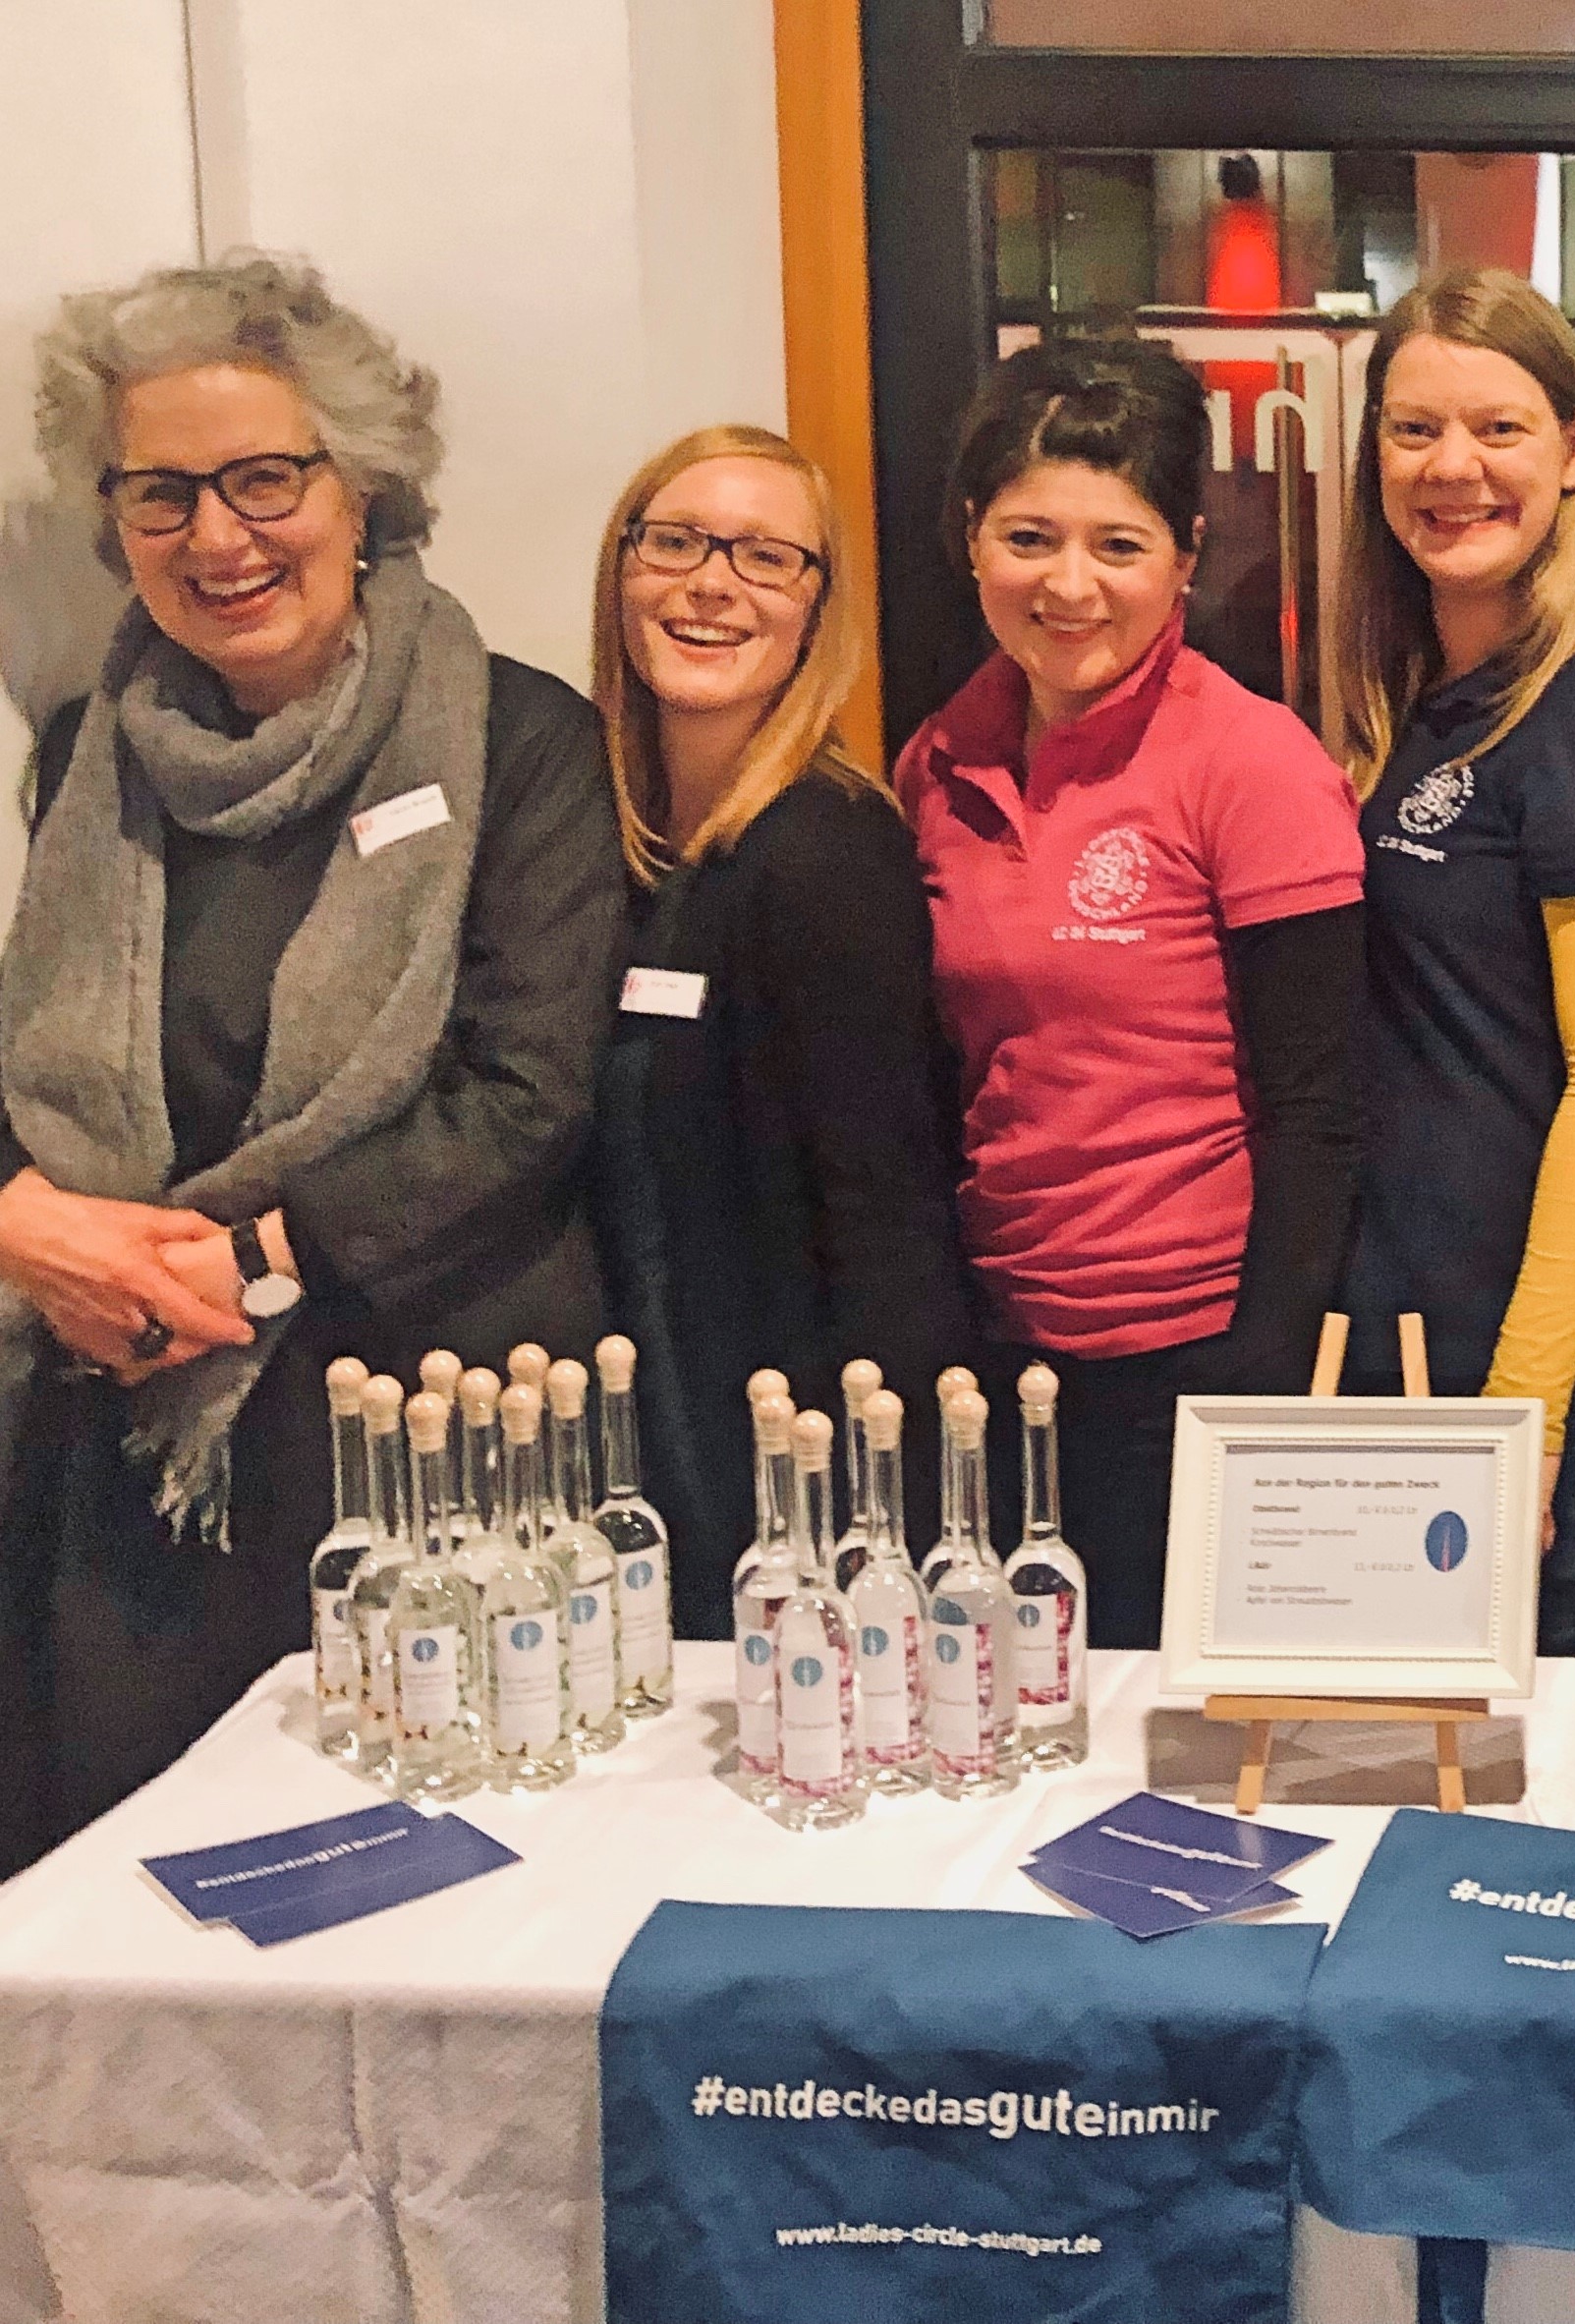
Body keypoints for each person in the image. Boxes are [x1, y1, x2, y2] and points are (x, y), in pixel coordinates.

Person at [0, 254, 625, 1874]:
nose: (217, 537)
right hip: (134, 1452)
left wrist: (238, 1271)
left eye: (264, 479)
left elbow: (525, 1097)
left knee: (449, 1914)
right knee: (133, 1923)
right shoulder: (79, 758)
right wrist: (27, 1225)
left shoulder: (521, 738)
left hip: (427, 1439)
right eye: (162, 493)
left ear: (361, 491)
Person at [901, 336, 1365, 1653]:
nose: (1069, 585)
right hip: (1004, 1357)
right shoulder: (936, 762)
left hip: (1199, 1358)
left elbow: (1323, 1107)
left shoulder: (1250, 761)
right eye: (1028, 537)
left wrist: (1258, 1393)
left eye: (1118, 545)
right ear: (971, 540)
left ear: (1186, 555)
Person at [1327, 270, 1575, 1654]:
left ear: (1573, 450)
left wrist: (1525, 1418)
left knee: (1559, 1768)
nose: (1453, 469)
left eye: (1496, 429)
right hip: (1431, 1343)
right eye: (1414, 430)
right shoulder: (1419, 705)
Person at [589, 424, 985, 1619]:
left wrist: (881, 1539)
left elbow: (885, 1213)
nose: (712, 584)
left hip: (798, 1480)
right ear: (622, 571)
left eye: (767, 557)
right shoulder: (603, 844)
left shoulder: (826, 853)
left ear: (817, 611)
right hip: (663, 1441)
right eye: (675, 542)